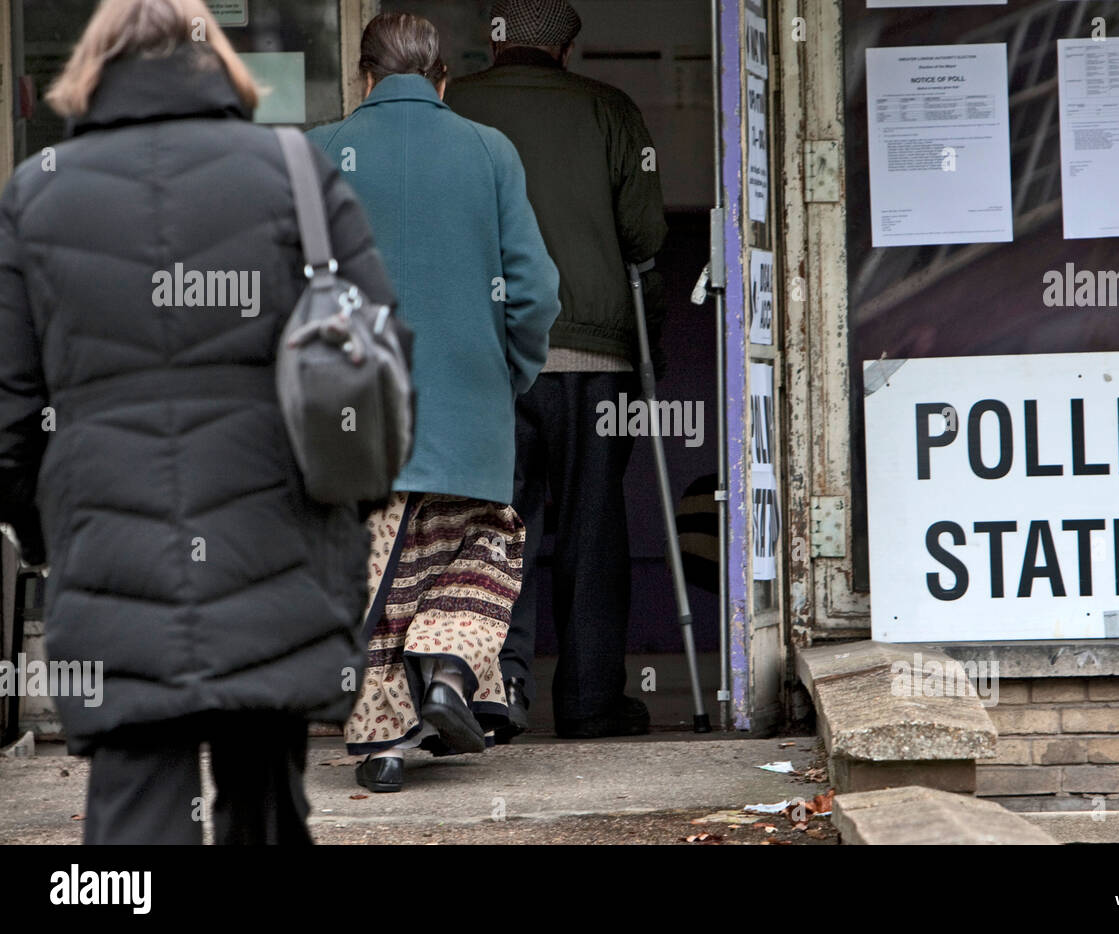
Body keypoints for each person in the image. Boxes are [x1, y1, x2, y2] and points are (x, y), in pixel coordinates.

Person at [0, 0, 396, 843]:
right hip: (278, 550)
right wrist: (341, 515)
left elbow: (7, 415)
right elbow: (383, 369)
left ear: (95, 67)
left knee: (133, 822)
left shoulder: (35, 195)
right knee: (265, 806)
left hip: (112, 558)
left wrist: (55, 534)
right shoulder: (297, 173)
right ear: (214, 56)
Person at [307, 12, 561, 792]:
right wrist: (508, 372)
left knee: (379, 582)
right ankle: (449, 674)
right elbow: (536, 290)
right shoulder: (490, 151)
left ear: (365, 77)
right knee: (479, 550)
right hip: (468, 410)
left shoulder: (318, 155)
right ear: (443, 78)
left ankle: (382, 747)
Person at [447, 0, 670, 741]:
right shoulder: (609, 109)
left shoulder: (455, 104)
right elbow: (645, 234)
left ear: (493, 41)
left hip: (483, 361)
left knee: (488, 531)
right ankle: (588, 703)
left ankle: (491, 698)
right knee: (592, 530)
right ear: (569, 50)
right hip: (591, 359)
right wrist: (650, 357)